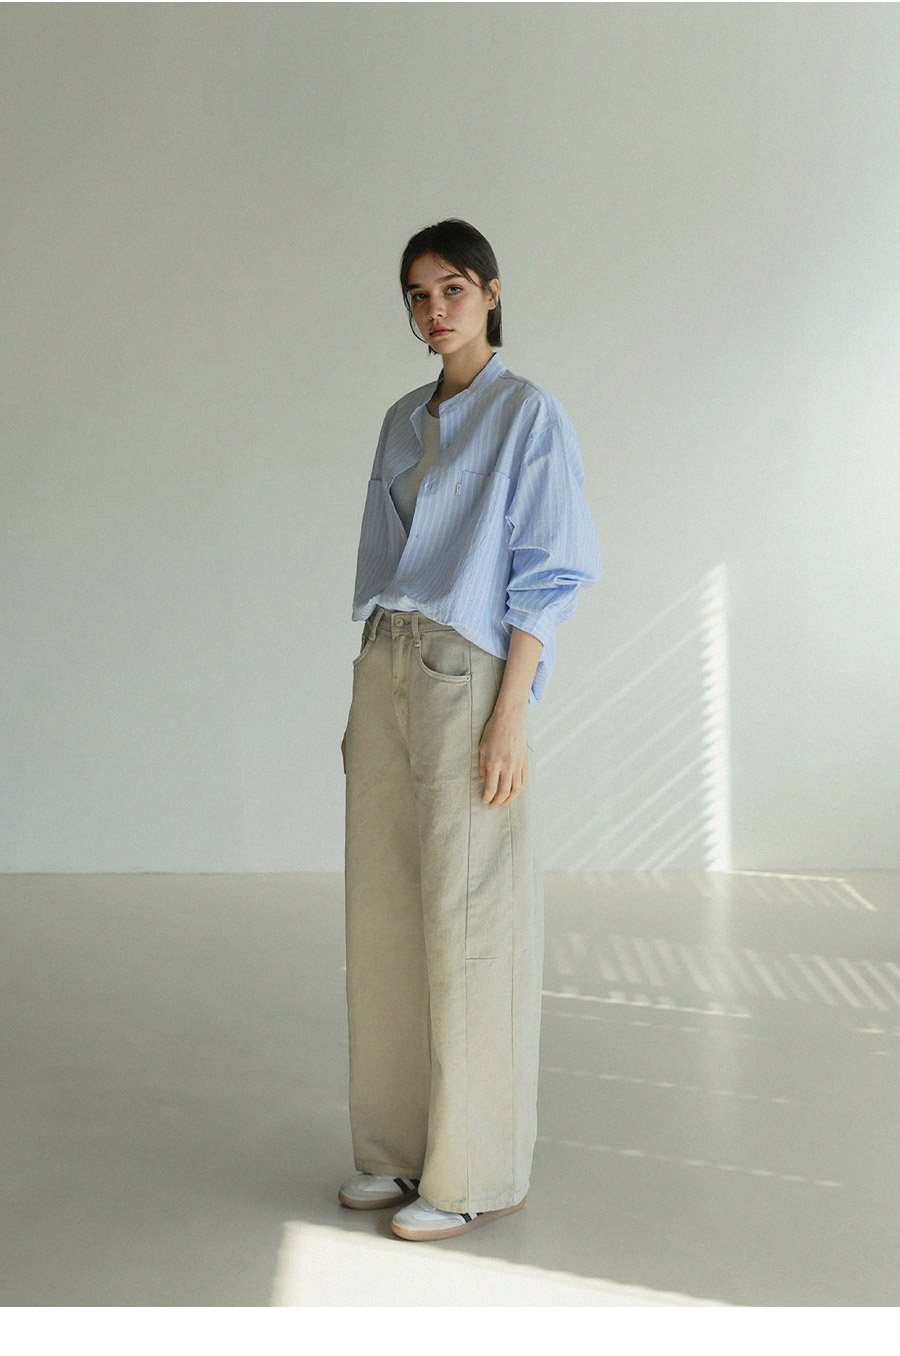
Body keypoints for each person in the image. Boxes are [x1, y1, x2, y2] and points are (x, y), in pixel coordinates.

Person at [338, 218, 603, 1242]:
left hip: (469, 670)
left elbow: (550, 569)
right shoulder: (401, 419)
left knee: (473, 916)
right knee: (386, 913)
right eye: (417, 294)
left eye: (452, 288)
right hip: (388, 659)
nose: (434, 310)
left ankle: (475, 1170)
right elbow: (387, 558)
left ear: (491, 292)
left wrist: (511, 714)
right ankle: (394, 1150)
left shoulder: (528, 413)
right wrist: (365, 696)